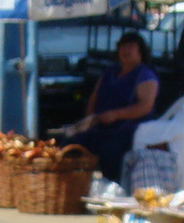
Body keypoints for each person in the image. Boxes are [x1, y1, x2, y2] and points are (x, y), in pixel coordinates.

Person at [66, 31, 159, 182]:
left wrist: (116, 115)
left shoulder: (145, 75)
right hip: (100, 127)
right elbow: (94, 99)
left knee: (110, 150)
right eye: (123, 46)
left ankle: (115, 185)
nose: (126, 50)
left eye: (131, 47)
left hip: (128, 129)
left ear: (140, 51)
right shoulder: (110, 72)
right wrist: (90, 120)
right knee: (71, 144)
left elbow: (145, 107)